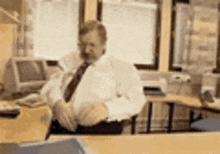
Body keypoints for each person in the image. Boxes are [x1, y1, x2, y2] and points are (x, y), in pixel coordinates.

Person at [40, 20, 146, 134]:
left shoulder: (120, 67)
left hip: (99, 129)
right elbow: (51, 85)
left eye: (92, 45)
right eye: (82, 44)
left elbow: (137, 99)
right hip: (61, 124)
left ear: (104, 44)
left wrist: (107, 108)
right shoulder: (69, 60)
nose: (86, 50)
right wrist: (58, 103)